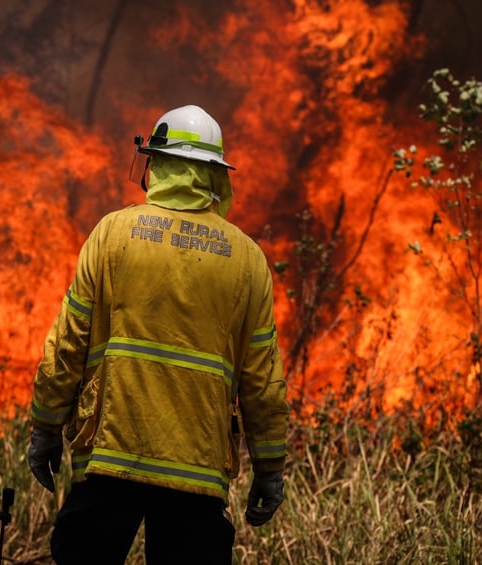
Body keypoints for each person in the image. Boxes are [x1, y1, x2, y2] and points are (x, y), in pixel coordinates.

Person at [27, 104, 289, 564]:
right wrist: (269, 469)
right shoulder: (248, 259)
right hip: (197, 474)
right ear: (214, 175)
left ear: (156, 163)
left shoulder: (111, 235)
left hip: (110, 460)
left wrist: (46, 428)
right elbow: (262, 382)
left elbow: (67, 345)